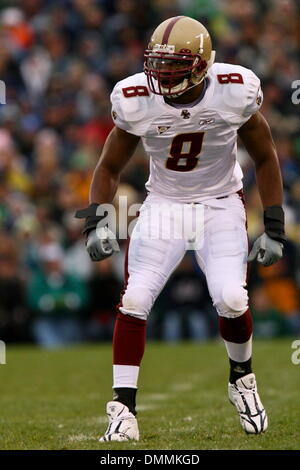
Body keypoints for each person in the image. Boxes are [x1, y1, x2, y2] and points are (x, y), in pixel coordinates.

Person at [76, 16, 285, 440]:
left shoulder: (234, 91)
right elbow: (109, 164)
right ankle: (123, 409)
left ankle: (241, 379)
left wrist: (274, 226)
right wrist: (97, 218)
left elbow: (265, 156)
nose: (162, 74)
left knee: (230, 297)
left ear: (203, 64)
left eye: (175, 65)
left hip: (220, 202)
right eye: (158, 63)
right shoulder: (136, 98)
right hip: (164, 204)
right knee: (134, 297)